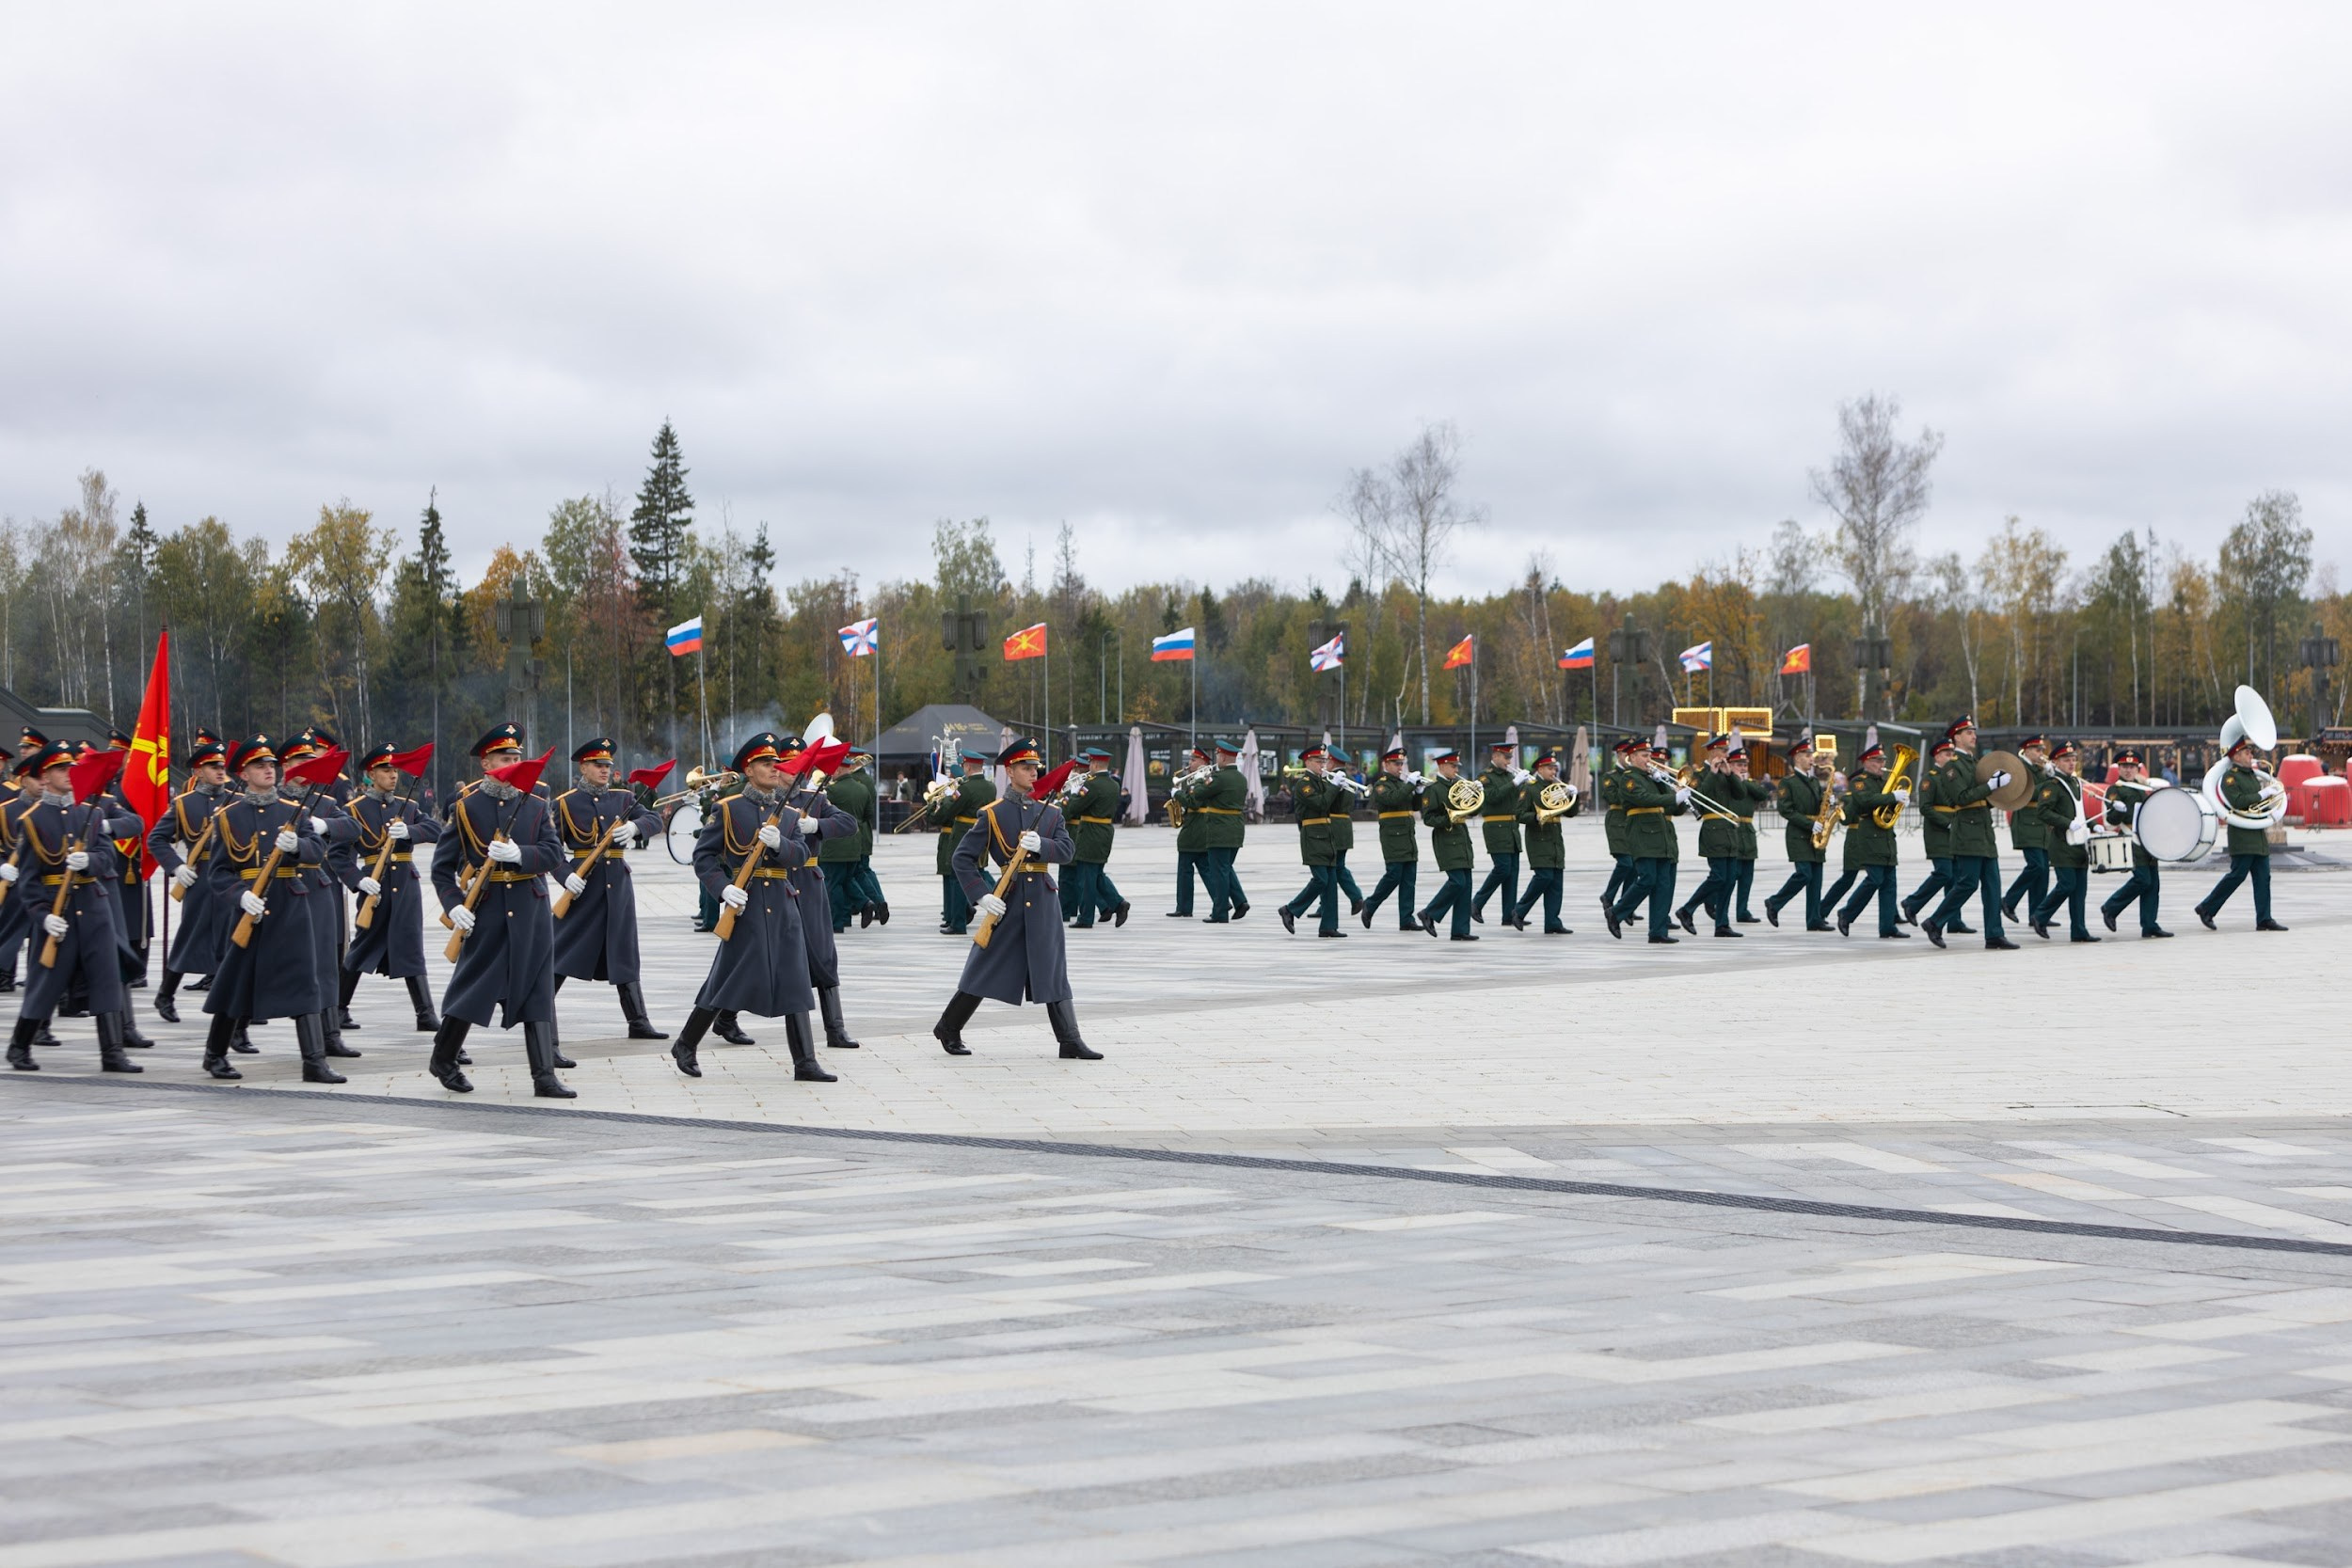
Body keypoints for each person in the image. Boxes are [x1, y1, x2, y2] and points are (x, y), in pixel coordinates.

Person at [668, 732, 837, 1082]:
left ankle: (805, 1061)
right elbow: (704, 858)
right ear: (749, 769)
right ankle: (685, 1043)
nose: (775, 768)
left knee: (796, 980)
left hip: (783, 901)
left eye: (777, 762)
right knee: (725, 980)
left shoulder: (789, 813)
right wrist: (724, 888)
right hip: (745, 905)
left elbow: (802, 854)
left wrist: (780, 846)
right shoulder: (728, 809)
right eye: (766, 763)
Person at [427, 722, 571, 1098]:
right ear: (486, 763)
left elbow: (555, 854)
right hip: (488, 909)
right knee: (475, 988)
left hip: (531, 908)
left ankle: (544, 1077)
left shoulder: (536, 802)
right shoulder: (465, 806)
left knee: (538, 990)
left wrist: (521, 855)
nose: (513, 763)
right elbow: (442, 868)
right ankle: (443, 1057)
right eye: (505, 758)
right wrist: (454, 905)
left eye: (517, 757)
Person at [932, 738, 1100, 1059]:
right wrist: (980, 895)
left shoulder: (1050, 813)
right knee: (985, 968)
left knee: (1053, 969)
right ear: (1010, 772)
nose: (1033, 773)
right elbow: (962, 858)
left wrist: (1043, 846)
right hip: (1007, 902)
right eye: (1026, 767)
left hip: (1043, 900)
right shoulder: (993, 814)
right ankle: (949, 1026)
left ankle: (1070, 1039)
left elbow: (1067, 851)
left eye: (1036, 767)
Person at [195, 736, 341, 1083]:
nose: (268, 770)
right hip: (251, 911)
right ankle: (214, 1054)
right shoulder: (229, 818)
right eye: (259, 766)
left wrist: (298, 847)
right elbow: (218, 872)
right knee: (235, 983)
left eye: (271, 765)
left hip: (291, 906)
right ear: (243, 773)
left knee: (306, 981)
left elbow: (317, 852)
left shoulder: (294, 810)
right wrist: (239, 895)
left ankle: (314, 1061)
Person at [4, 742, 147, 1073]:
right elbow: (29, 881)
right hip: (58, 912)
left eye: (71, 768)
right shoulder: (32, 820)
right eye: (60, 770)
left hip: (94, 908)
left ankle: (112, 1052)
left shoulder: (91, 813)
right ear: (44, 775)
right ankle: (19, 1046)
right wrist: (43, 916)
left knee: (106, 978)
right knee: (46, 981)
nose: (69, 775)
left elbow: (108, 856)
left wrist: (90, 861)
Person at [549, 737, 667, 1038]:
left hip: (617, 886)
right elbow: (550, 849)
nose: (605, 771)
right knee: (561, 951)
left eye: (608, 766)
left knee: (624, 952)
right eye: (598, 766)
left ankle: (638, 1021)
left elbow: (653, 819)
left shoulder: (624, 798)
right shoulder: (565, 803)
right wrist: (565, 875)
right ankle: (538, 1010)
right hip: (583, 888)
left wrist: (637, 827)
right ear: (583, 767)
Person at [336, 742, 444, 1032]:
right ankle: (338, 1008)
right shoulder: (353, 810)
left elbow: (436, 830)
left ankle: (425, 1013)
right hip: (376, 886)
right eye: (386, 770)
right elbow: (338, 856)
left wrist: (410, 831)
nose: (393, 775)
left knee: (411, 945)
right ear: (372, 773)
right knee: (363, 946)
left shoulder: (408, 806)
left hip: (406, 886)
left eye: (395, 769)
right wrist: (358, 881)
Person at [776, 734, 864, 1051]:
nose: (795, 774)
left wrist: (815, 825)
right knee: (755, 954)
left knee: (823, 955)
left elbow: (848, 823)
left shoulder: (816, 797)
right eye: (789, 767)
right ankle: (726, 1017)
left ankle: (835, 1029)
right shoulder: (766, 799)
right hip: (775, 882)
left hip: (809, 885)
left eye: (800, 768)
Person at [147, 735, 233, 1022]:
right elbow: (156, 839)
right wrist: (176, 866)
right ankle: (165, 995)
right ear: (198, 771)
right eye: (212, 766)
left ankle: (235, 1001)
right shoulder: (184, 804)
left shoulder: (238, 801)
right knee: (190, 937)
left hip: (232, 877)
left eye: (222, 765)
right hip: (201, 878)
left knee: (233, 938)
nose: (220, 771)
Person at [1922, 717, 2019, 950]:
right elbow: (1962, 798)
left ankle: (1994, 934)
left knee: (1993, 885)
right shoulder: (1952, 767)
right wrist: (1991, 786)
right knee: (1967, 883)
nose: (1973, 735)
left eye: (1974, 731)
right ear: (1956, 737)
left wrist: (2001, 792)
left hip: (1983, 831)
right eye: (1968, 732)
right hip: (1967, 830)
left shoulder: (1975, 763)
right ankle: (1935, 921)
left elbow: (1984, 799)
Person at [1676, 735, 1770, 937]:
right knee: (1718, 876)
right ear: (1713, 752)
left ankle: (1722, 923)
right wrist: (1713, 772)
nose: (1727, 754)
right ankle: (1687, 909)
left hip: (1730, 830)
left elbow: (1740, 794)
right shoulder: (1700, 774)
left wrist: (1730, 775)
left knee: (1729, 879)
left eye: (1727, 751)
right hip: (1713, 830)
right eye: (1724, 751)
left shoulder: (1727, 773)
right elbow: (1700, 797)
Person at [2195, 733, 2289, 932]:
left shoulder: (2251, 775)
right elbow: (2238, 801)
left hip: (2257, 834)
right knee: (2237, 875)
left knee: (2263, 878)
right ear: (2235, 756)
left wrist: (2273, 802)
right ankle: (2207, 907)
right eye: (2246, 752)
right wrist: (2262, 794)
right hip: (2242, 835)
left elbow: (2257, 804)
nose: (2250, 755)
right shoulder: (2230, 778)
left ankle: (2264, 918)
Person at [1605, 739, 1689, 943]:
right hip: (1642, 835)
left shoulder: (1652, 778)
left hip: (1660, 835)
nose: (1648, 760)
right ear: (1631, 757)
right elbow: (1643, 799)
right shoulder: (1629, 778)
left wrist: (1680, 795)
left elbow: (1672, 808)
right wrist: (1672, 798)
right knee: (1647, 879)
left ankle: (1658, 931)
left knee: (1662, 883)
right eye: (1644, 756)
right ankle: (1616, 912)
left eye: (1649, 755)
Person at [1834, 743, 1911, 940]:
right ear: (1867, 762)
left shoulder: (1884, 782)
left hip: (1886, 835)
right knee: (1874, 879)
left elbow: (1887, 806)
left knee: (1889, 883)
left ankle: (1887, 927)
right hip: (1869, 834)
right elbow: (1864, 801)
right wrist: (1891, 796)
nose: (1882, 764)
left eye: (1883, 760)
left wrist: (1899, 802)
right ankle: (1847, 913)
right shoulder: (1860, 781)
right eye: (1878, 760)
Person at [2026, 740, 2098, 942]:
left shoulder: (2075, 783)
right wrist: (2067, 823)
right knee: (2067, 885)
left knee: (2079, 890)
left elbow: (2079, 813)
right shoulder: (2053, 785)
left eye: (2073, 760)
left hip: (2079, 844)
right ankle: (2040, 915)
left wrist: (2093, 826)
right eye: (2067, 760)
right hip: (2062, 843)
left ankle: (2079, 930)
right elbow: (2043, 811)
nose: (2071, 763)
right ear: (2056, 762)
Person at [1897, 737, 1970, 934]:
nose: (1951, 757)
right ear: (1937, 756)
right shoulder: (1931, 778)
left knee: (1955, 877)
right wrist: (1946, 822)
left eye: (1953, 753)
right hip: (1938, 834)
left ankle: (1954, 921)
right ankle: (1912, 902)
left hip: (1954, 832)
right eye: (1947, 754)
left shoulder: (1952, 775)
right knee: (1944, 872)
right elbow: (1925, 808)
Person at [1763, 735, 1835, 931]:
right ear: (1797, 757)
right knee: (1804, 874)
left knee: (1816, 878)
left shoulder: (1813, 782)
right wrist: (1808, 824)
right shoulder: (1788, 783)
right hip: (1799, 835)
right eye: (1807, 754)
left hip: (1816, 834)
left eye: (1811, 754)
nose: (1811, 758)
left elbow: (1820, 804)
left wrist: (1830, 801)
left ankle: (1814, 919)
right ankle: (1774, 902)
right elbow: (1785, 810)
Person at [2099, 751, 2171, 938]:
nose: (2128, 770)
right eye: (2124, 766)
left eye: (2132, 767)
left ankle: (2149, 924)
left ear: (2138, 768)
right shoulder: (2116, 789)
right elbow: (2112, 820)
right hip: (2131, 837)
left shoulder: (2141, 787)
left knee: (2153, 883)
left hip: (2147, 838)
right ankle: (2111, 907)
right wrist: (2118, 810)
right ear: (2119, 769)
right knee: (2142, 879)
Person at [1279, 745, 1346, 937]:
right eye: (1319, 761)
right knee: (1321, 879)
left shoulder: (1323, 781)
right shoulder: (1304, 783)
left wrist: (1341, 789)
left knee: (1331, 882)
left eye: (1324, 761)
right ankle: (1290, 909)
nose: (1323, 765)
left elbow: (1337, 807)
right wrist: (1333, 787)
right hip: (1313, 835)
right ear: (1307, 762)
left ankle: (1328, 926)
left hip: (1327, 834)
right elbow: (1320, 803)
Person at [1060, 747, 1131, 928]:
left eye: (1091, 762)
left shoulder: (1092, 784)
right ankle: (1117, 903)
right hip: (1105, 831)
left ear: (1096, 763)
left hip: (1090, 833)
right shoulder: (1113, 784)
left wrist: (1072, 795)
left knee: (1086, 878)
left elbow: (1074, 809)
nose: (1089, 765)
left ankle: (1086, 917)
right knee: (1097, 874)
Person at [1510, 751, 1578, 933]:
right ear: (1540, 768)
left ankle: (1552, 922)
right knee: (1544, 877)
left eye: (1554, 768)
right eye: (1550, 768)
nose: (1553, 772)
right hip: (1538, 838)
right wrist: (1537, 817)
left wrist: (1573, 796)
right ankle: (1519, 910)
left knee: (1556, 882)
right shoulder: (1530, 788)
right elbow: (1519, 814)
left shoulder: (1557, 787)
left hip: (1555, 837)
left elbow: (1570, 813)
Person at [1415, 749, 1478, 941]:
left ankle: (1460, 930)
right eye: (1452, 766)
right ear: (1442, 766)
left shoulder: (1460, 785)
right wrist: (1449, 818)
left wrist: (1476, 794)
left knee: (1465, 885)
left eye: (1456, 766)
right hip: (1446, 839)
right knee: (1457, 881)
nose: (1455, 769)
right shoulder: (1434, 790)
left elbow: (1474, 811)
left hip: (1462, 837)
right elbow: (1428, 818)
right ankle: (1429, 912)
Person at [1359, 746, 1423, 929]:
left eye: (1401, 763)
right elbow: (1393, 799)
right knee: (1394, 875)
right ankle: (1370, 905)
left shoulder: (1402, 783)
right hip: (1392, 836)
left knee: (1409, 879)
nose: (1400, 767)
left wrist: (1418, 792)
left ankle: (1407, 919)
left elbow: (1415, 806)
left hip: (1408, 835)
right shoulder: (1381, 784)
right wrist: (1410, 785)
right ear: (1386, 764)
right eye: (1396, 763)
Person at [820, 749, 884, 932]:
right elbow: (868, 815)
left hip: (834, 844)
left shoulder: (831, 791)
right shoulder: (862, 788)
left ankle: (838, 922)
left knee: (833, 884)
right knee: (848, 879)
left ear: (839, 770)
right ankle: (865, 903)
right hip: (855, 842)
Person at [938, 750, 995, 934]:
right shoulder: (990, 787)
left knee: (957, 878)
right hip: (983, 834)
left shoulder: (966, 788)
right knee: (978, 871)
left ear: (968, 766)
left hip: (963, 834)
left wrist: (945, 799)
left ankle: (958, 923)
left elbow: (948, 811)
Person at [1194, 738, 1250, 922]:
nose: (1217, 758)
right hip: (1235, 830)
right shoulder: (1241, 778)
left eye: (1218, 755)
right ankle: (1240, 901)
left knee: (1218, 872)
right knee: (1225, 868)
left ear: (1224, 757)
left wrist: (1201, 780)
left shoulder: (1219, 778)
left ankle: (1220, 913)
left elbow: (1200, 794)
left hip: (1219, 830)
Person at [1469, 741, 1523, 927]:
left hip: (1511, 827)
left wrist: (1524, 785)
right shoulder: (1485, 776)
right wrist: (1514, 783)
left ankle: (1509, 914)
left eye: (1510, 757)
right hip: (1495, 826)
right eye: (1505, 757)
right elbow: (1491, 797)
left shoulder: (1509, 775)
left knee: (1512, 872)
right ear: (1495, 756)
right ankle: (1476, 902)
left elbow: (1516, 800)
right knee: (1502, 868)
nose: (1509, 761)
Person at [2000, 736, 2052, 922]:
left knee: (2043, 869)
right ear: (2027, 750)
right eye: (2037, 750)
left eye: (2042, 750)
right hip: (2027, 822)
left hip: (2041, 825)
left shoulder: (2038, 769)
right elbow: (2029, 792)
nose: (2041, 754)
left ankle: (2037, 913)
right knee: (2036, 865)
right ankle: (2008, 900)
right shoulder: (2020, 768)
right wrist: (2050, 782)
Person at [1598, 740, 1638, 920]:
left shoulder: (1635, 775)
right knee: (1626, 863)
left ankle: (1626, 905)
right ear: (1618, 755)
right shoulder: (1611, 776)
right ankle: (1608, 895)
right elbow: (1612, 797)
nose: (1628, 758)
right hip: (1617, 822)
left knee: (1634, 866)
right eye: (1625, 754)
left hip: (1632, 822)